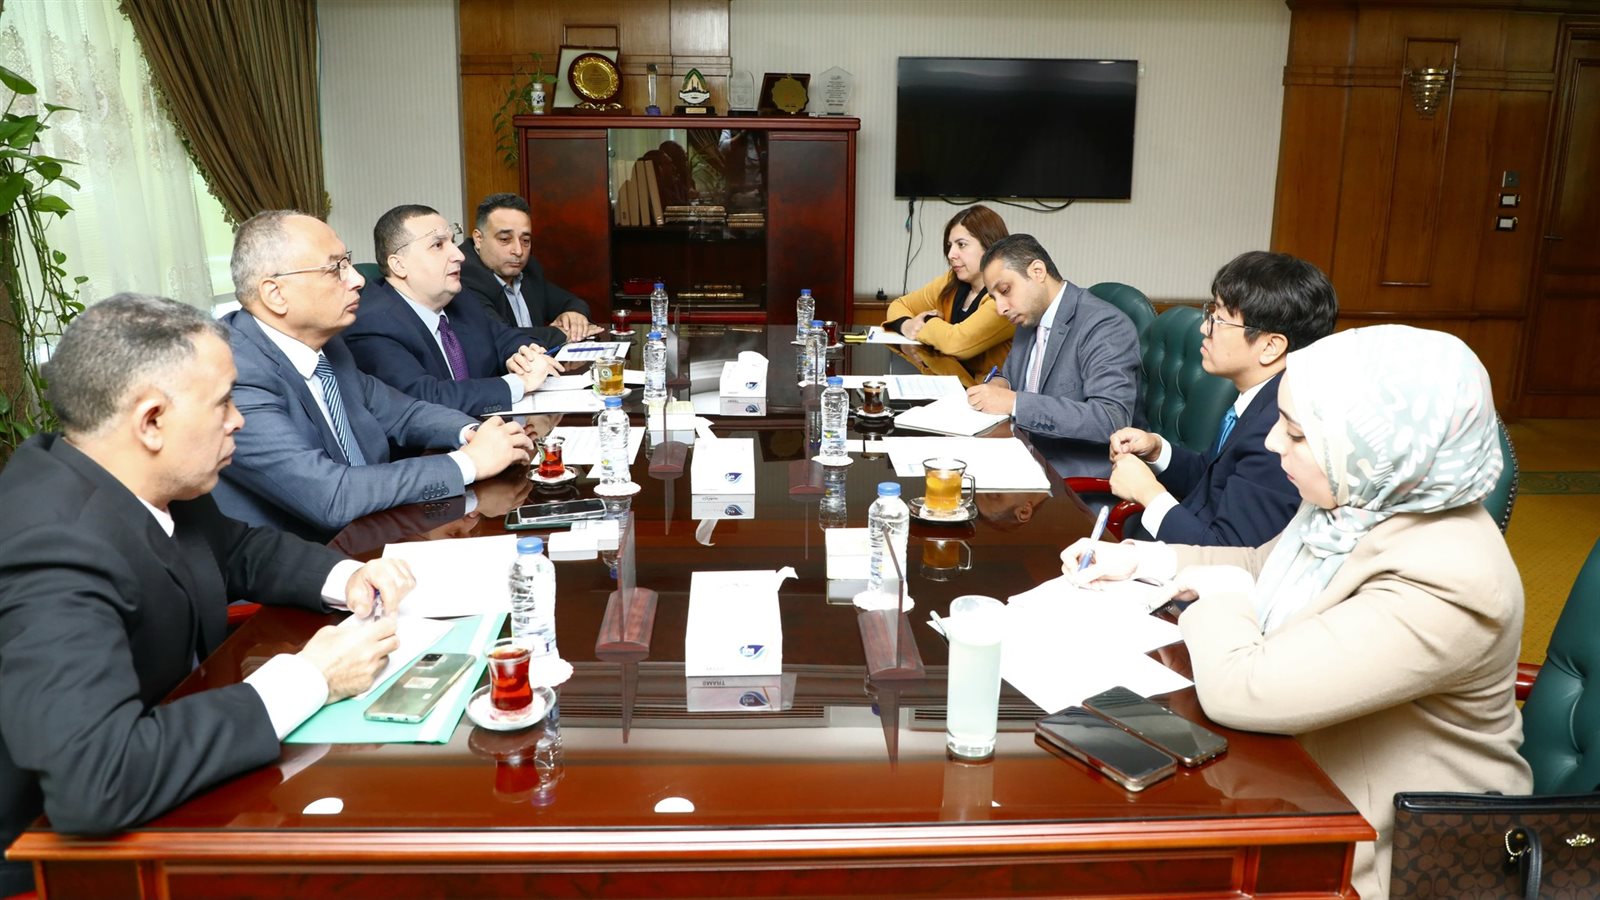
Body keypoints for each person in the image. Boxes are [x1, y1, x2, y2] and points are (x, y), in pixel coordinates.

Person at [1063, 325, 1530, 900]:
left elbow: (1242, 688)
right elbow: (1261, 563)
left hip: (1381, 846)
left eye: (1298, 433)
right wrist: (1141, 560)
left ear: (1375, 445)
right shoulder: (1357, 499)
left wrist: (1219, 591)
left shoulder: (1452, 576)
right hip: (1292, 772)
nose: (1273, 443)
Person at [0, 294, 413, 896]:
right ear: (151, 421)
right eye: (223, 402)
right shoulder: (50, 547)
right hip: (68, 867)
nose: (238, 420)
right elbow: (97, 780)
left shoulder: (139, 477)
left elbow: (238, 549)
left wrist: (345, 576)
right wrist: (312, 678)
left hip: (184, 773)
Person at [212, 211, 533, 542]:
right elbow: (330, 495)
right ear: (275, 293)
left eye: (348, 263)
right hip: (307, 559)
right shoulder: (232, 374)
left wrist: (472, 432)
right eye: (335, 268)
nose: (358, 280)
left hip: (374, 533)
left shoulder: (328, 346)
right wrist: (467, 464)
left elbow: (404, 413)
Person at [1107, 251, 1338, 546]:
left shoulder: (1280, 433)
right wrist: (1157, 450)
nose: (1204, 328)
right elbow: (1214, 479)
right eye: (1211, 313)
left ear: (1270, 346)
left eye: (1220, 320)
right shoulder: (1262, 397)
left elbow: (1227, 552)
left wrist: (1148, 494)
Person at [343, 204, 563, 416]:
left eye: (453, 241)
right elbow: (424, 398)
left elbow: (503, 336)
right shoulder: (371, 323)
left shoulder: (459, 297)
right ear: (399, 265)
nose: (459, 255)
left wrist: (523, 354)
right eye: (438, 245)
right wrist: (517, 384)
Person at [964, 234, 1141, 478]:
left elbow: (1110, 420)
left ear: (1037, 271)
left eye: (1005, 290)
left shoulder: (1105, 325)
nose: (1001, 308)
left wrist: (1014, 403)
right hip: (1020, 454)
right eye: (995, 298)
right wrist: (999, 383)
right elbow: (1010, 376)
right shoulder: (1028, 318)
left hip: (1071, 475)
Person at [882, 205, 1015, 379]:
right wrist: (906, 325)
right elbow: (900, 305)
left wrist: (927, 321)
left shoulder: (1005, 297)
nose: (951, 254)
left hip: (985, 393)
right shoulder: (951, 282)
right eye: (950, 246)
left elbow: (957, 343)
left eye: (961, 245)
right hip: (947, 386)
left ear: (990, 245)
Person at [458, 192, 603, 347]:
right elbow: (500, 335)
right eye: (505, 239)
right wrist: (563, 334)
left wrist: (574, 315)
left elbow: (572, 302)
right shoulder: (464, 274)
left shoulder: (529, 269)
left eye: (525, 240)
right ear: (479, 239)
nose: (518, 251)